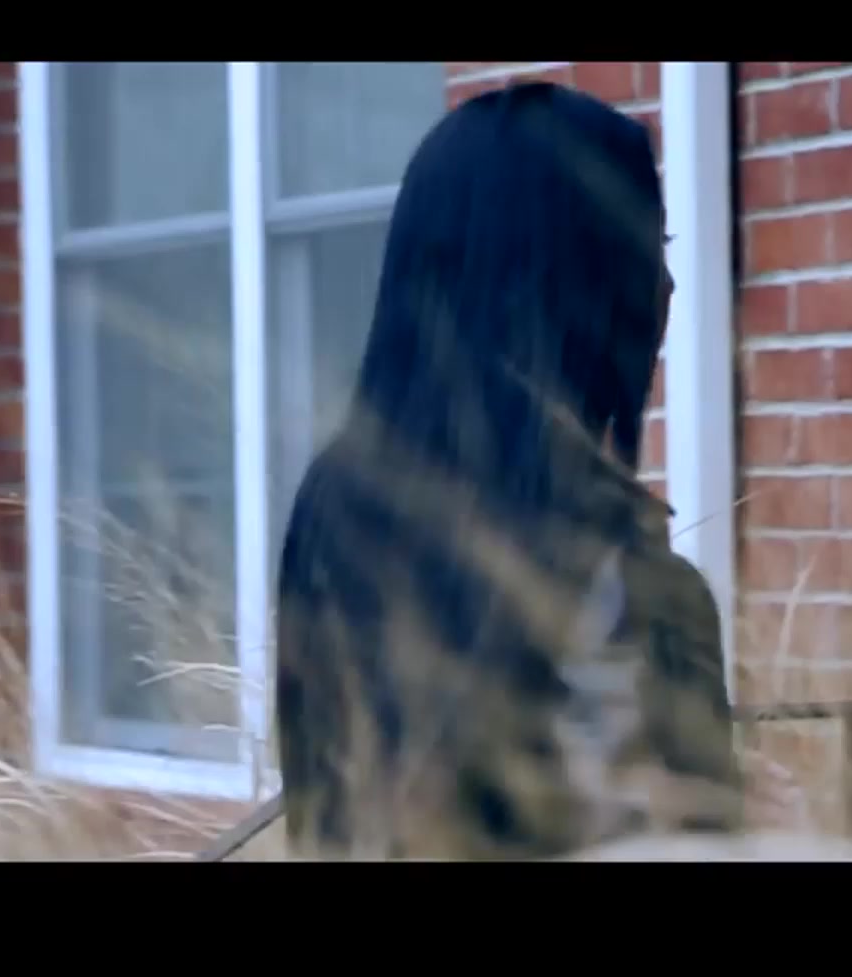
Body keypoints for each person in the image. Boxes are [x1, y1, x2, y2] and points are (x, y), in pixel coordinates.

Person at [272, 82, 746, 860]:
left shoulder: (337, 502)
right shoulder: (625, 584)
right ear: (575, 281)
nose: (667, 286)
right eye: (651, 245)